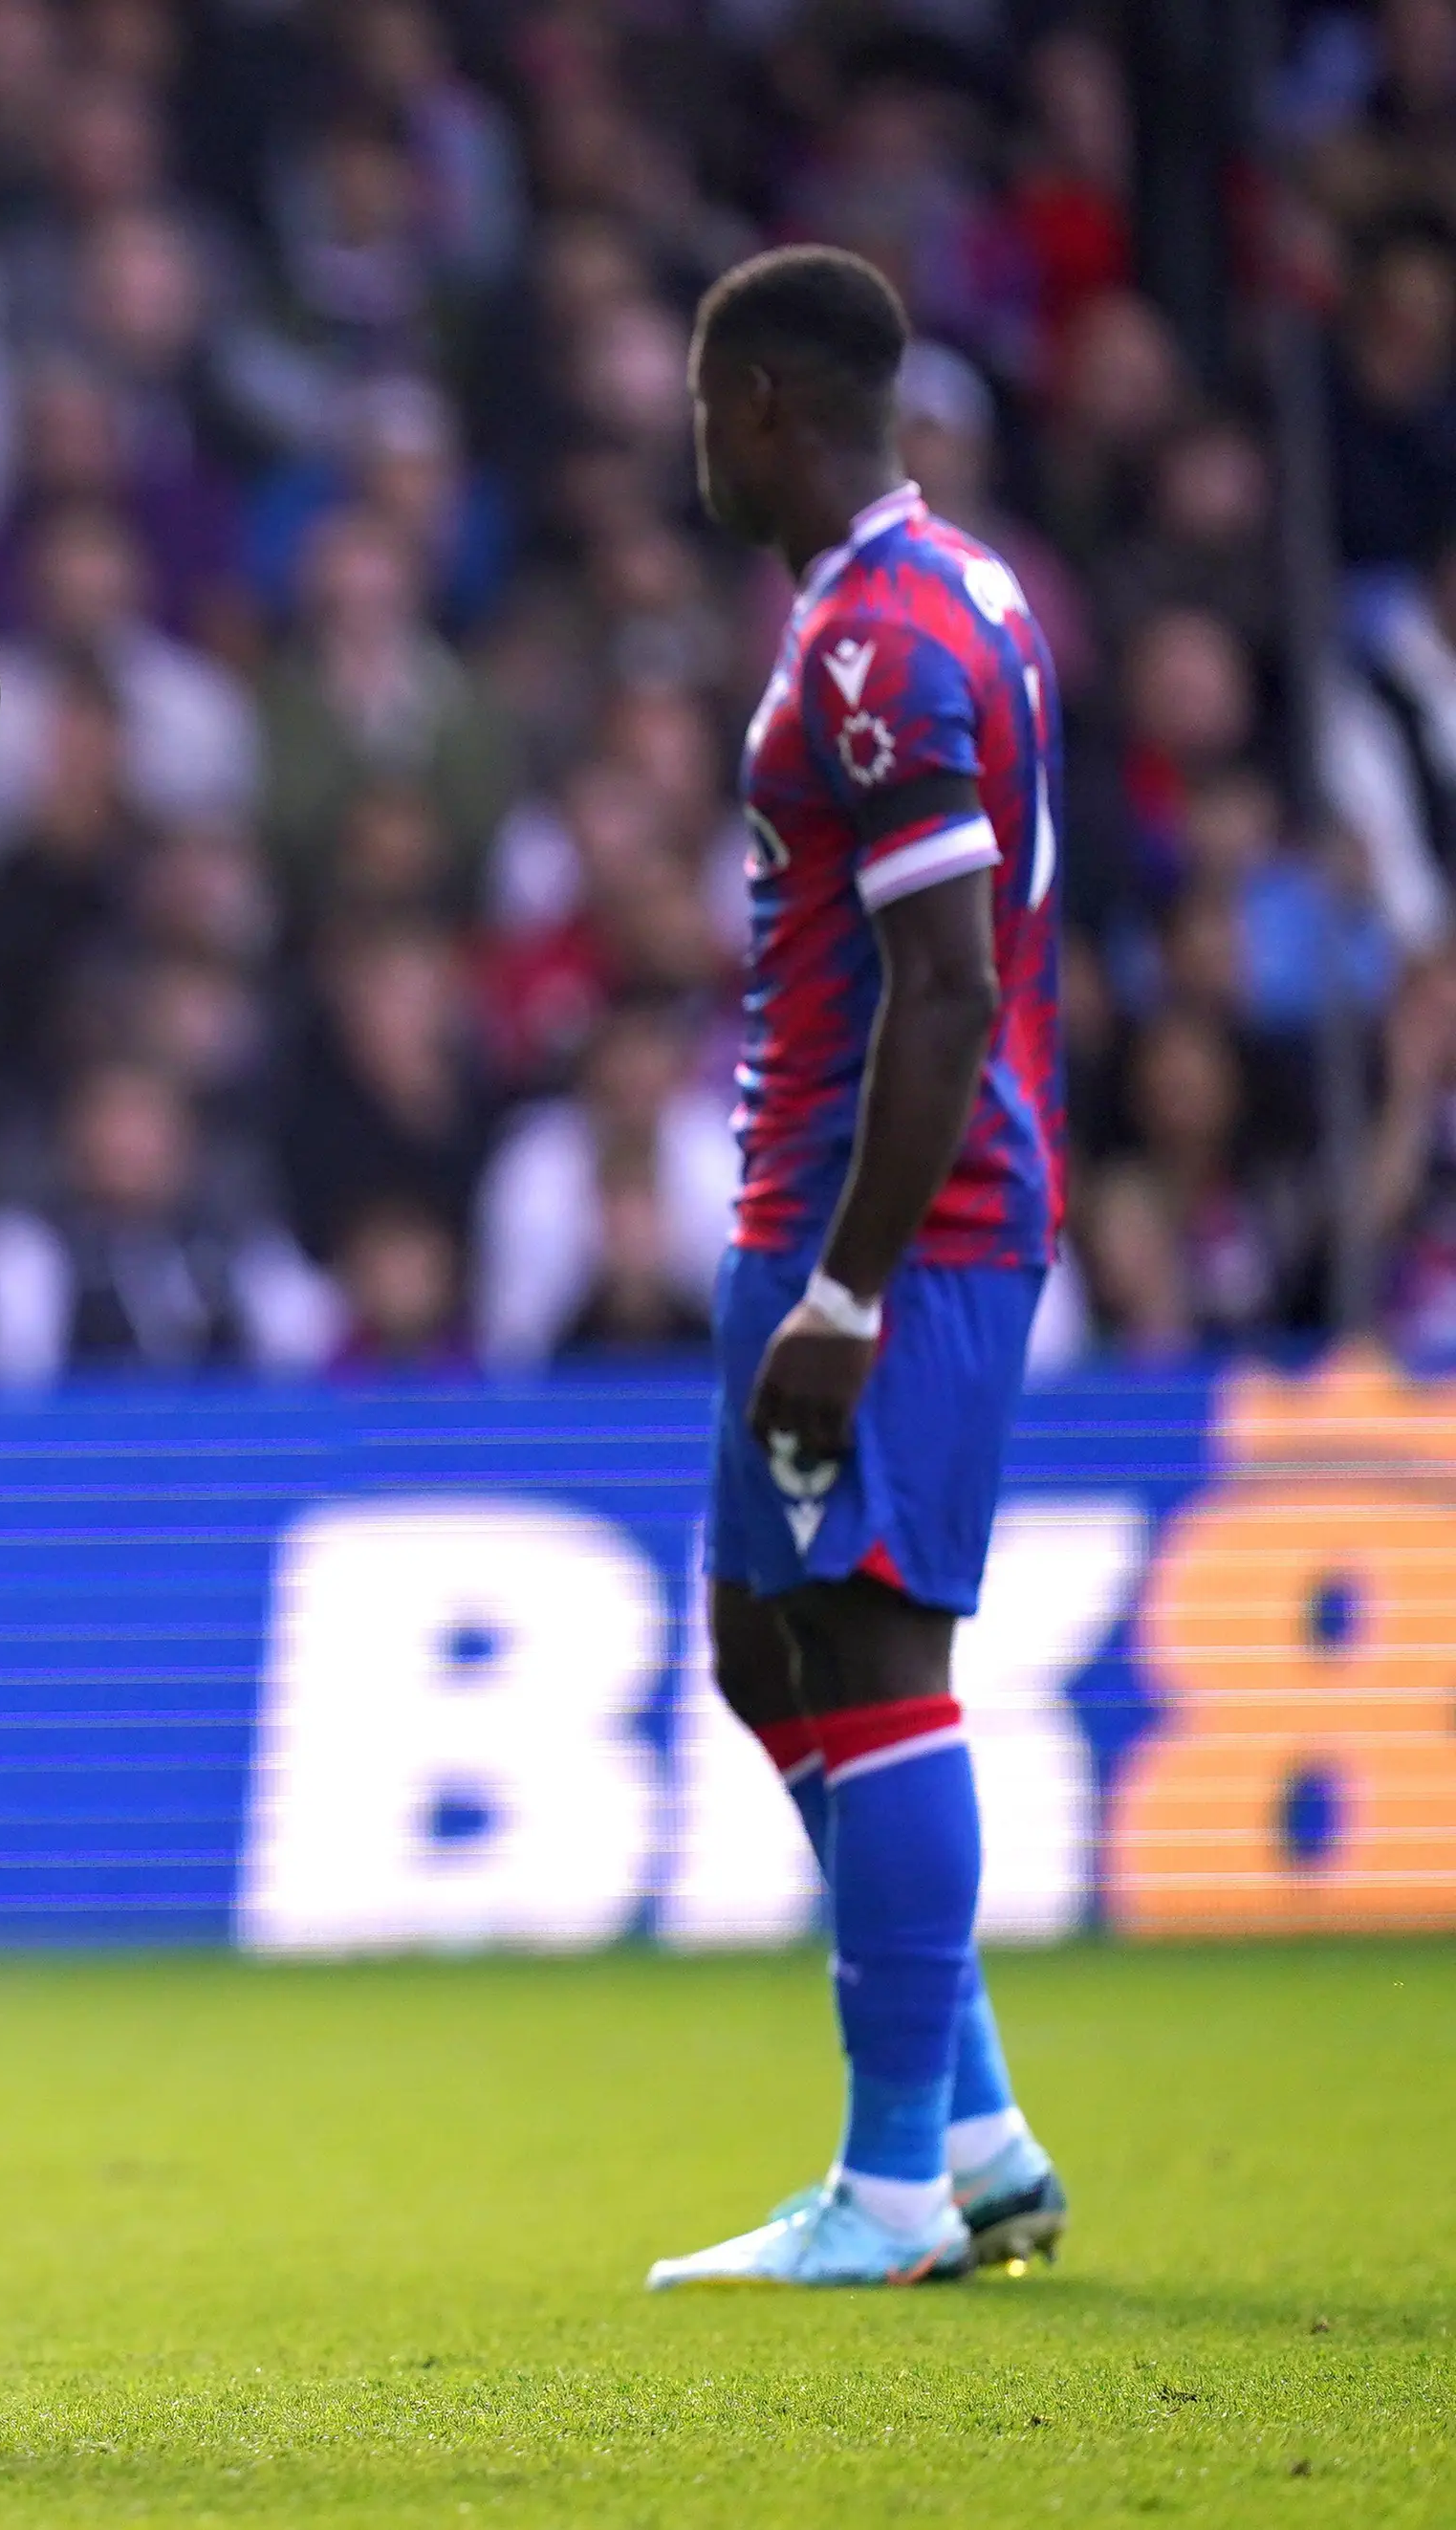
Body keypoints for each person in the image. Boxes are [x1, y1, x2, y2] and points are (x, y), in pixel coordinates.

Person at [653, 246, 1071, 2293]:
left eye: (700, 409)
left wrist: (846, 1292)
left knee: (879, 1649)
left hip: (892, 1220)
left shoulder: (881, 645)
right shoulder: (943, 589)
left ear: (761, 406)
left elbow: (950, 985)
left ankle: (899, 2181)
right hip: (815, 1202)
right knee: (763, 1638)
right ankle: (974, 2127)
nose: (694, 449)